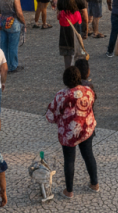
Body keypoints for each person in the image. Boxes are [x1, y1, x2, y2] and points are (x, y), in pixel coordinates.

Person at [46, 66, 100, 198]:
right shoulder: (88, 91)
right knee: (88, 155)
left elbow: (51, 115)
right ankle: (94, 184)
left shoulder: (61, 95)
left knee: (69, 160)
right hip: (86, 129)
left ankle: (69, 191)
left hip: (68, 133)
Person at [0, 0, 26, 72]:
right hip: (13, 22)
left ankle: (4, 65)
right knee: (13, 45)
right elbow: (19, 12)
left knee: (3, 45)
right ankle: (13, 65)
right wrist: (24, 23)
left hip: (2, 21)